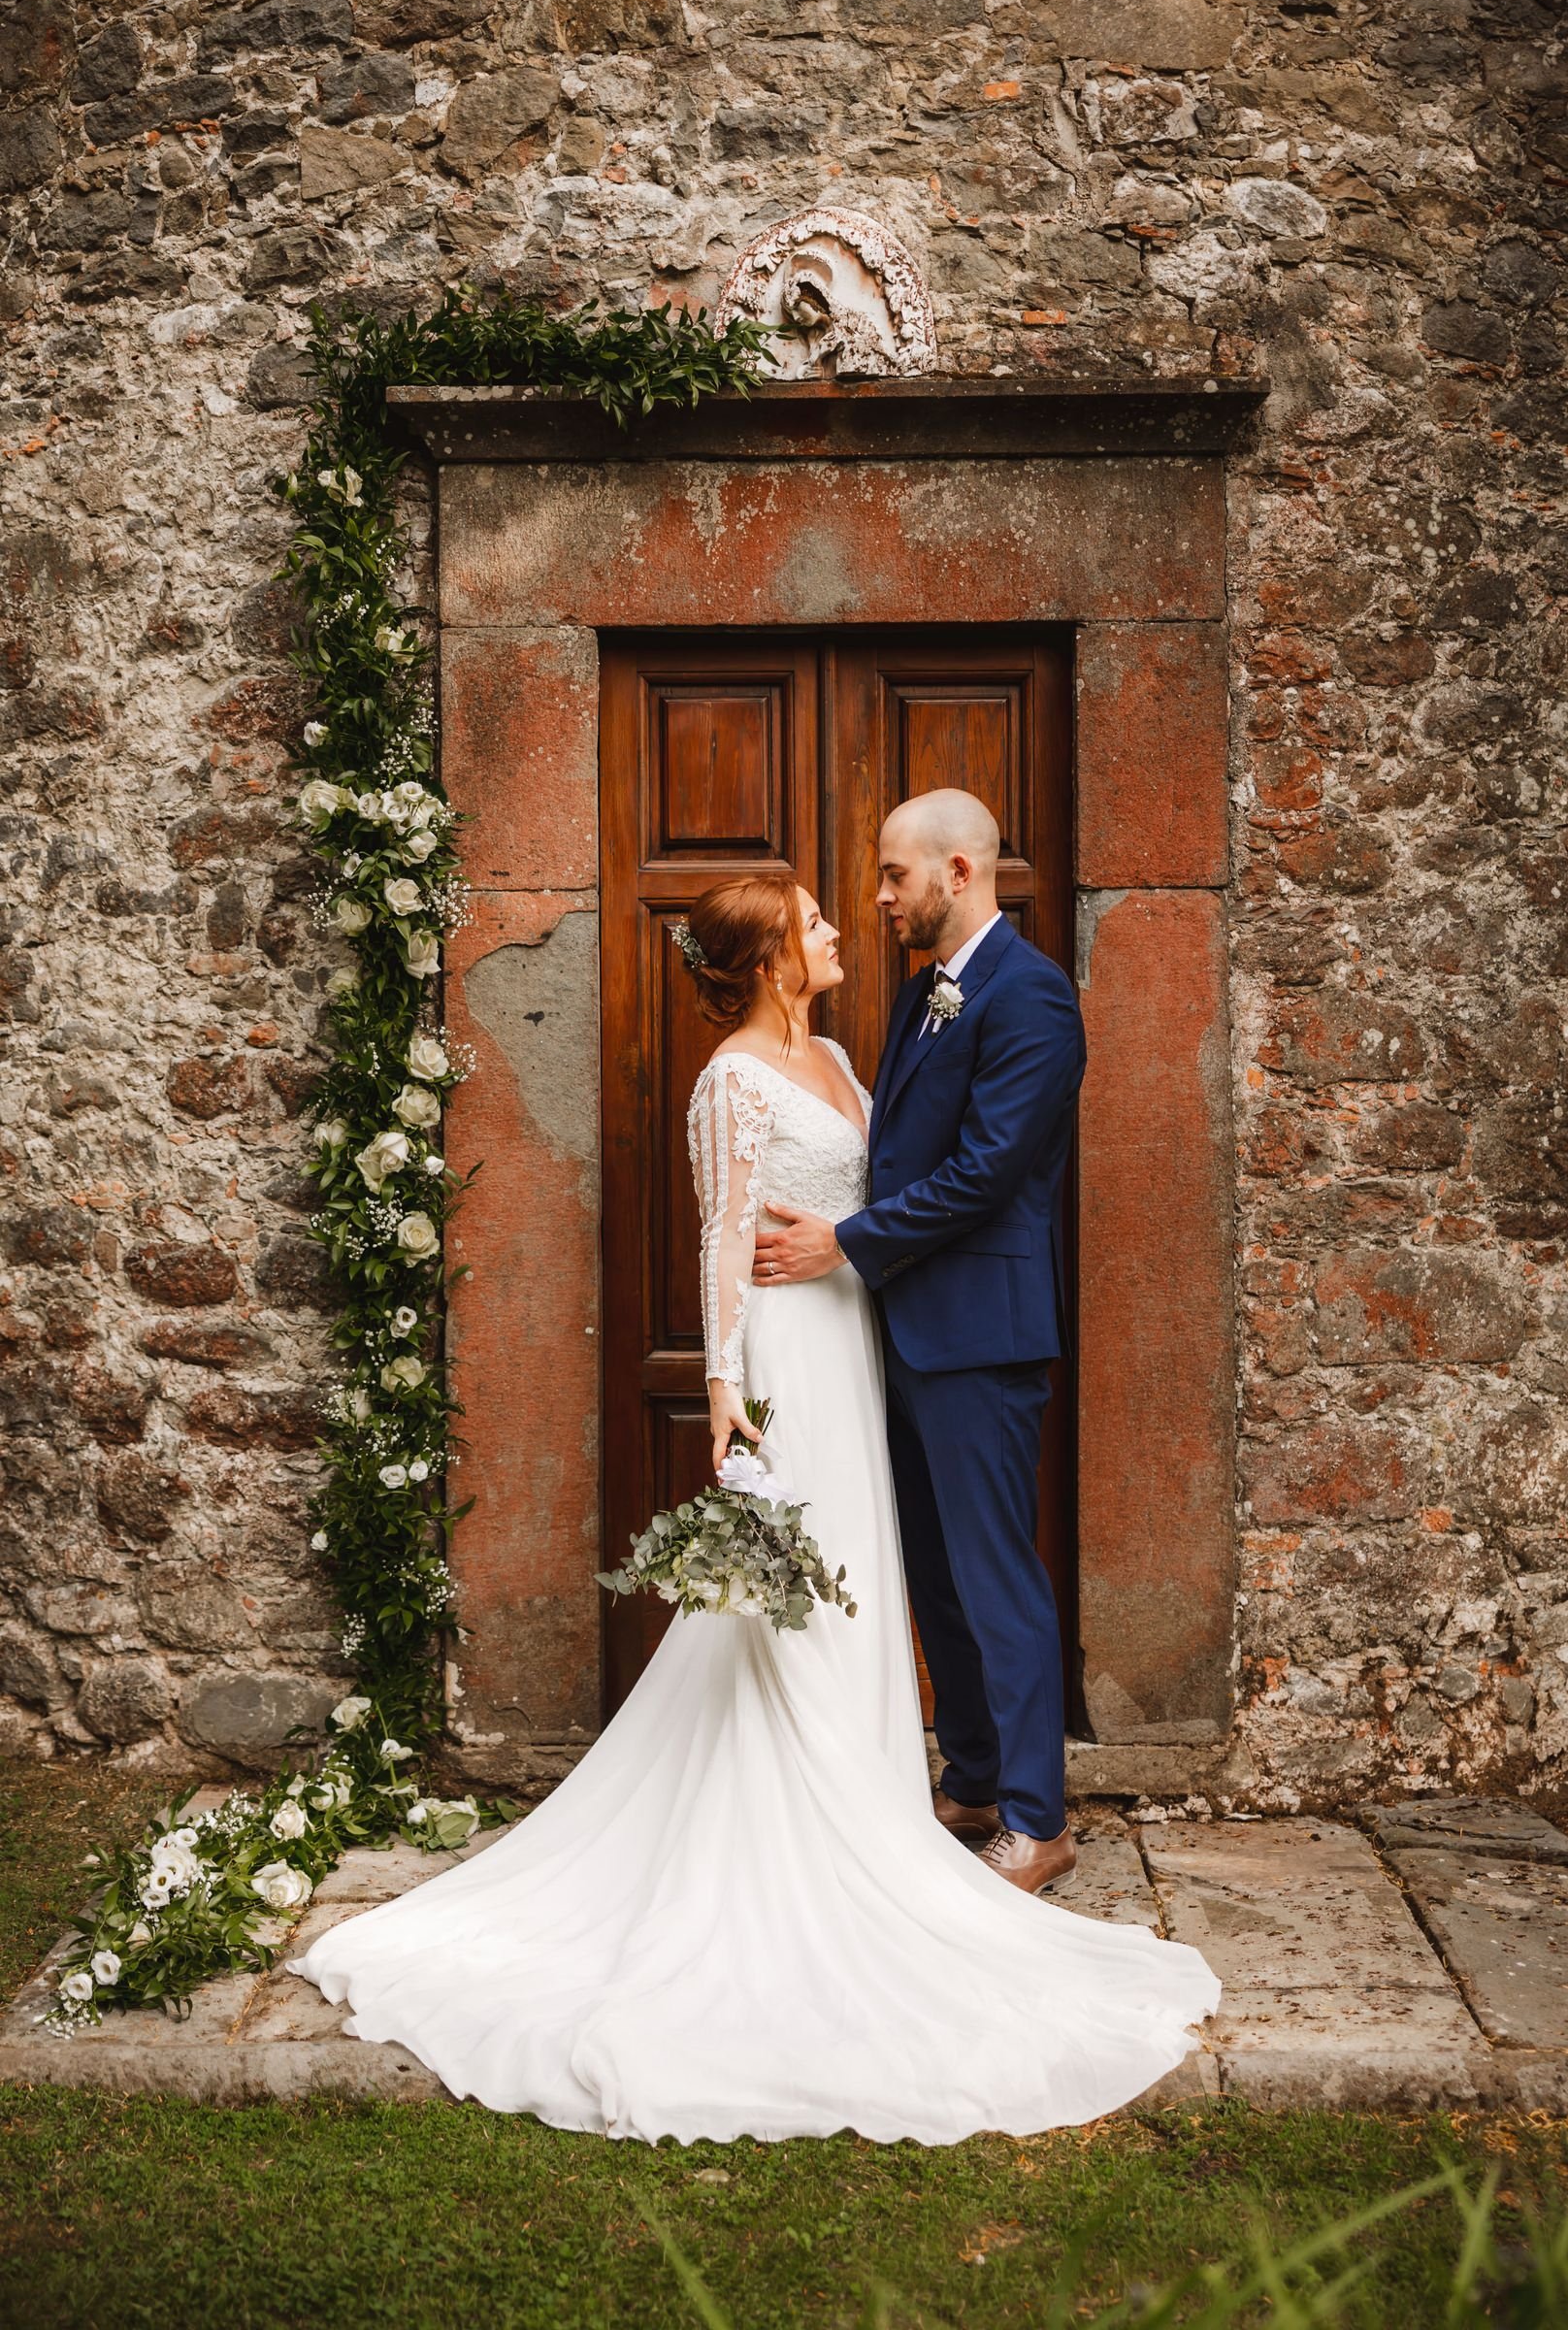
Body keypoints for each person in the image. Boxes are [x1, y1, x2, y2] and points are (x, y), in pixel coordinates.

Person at [286, 839, 1220, 2140]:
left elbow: (899, 1187)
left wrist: (862, 1262)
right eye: (817, 920)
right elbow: (724, 1237)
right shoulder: (729, 1083)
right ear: (773, 952)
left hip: (858, 1344)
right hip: (789, 1356)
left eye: (855, 902)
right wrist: (725, 1394)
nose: (845, 925)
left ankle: (887, 1795)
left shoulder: (840, 1061)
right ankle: (812, 1830)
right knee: (803, 1601)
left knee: (871, 1581)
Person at [755, 789, 1081, 1895]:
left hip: (981, 1334)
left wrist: (847, 1239)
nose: (881, 898)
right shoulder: (920, 994)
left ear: (957, 870)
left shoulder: (1030, 995)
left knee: (995, 1576)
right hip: (900, 1333)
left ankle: (1038, 1819)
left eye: (895, 878)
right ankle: (977, 1777)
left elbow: (987, 1172)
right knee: (934, 1577)